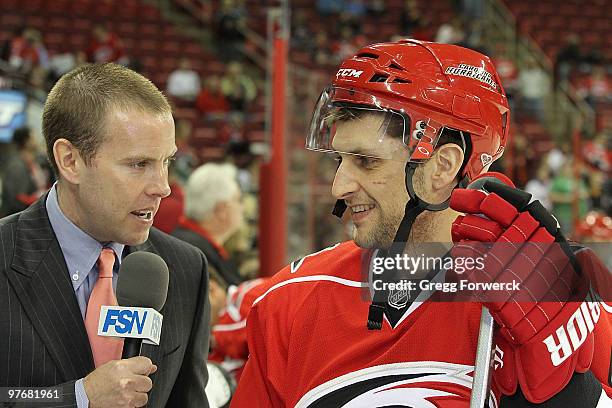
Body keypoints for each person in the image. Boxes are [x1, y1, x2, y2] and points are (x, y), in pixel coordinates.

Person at [232, 40, 611, 406]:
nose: (339, 186)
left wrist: (572, 394)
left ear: (442, 166)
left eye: (366, 161)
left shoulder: (561, 303)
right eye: (339, 161)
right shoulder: (290, 301)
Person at [0, 63, 210, 407]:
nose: (163, 187)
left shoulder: (185, 268)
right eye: (138, 164)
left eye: (166, 162)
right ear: (70, 160)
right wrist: (78, 397)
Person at [172, 162, 244, 287]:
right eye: (238, 200)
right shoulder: (195, 254)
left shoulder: (186, 242)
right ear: (221, 210)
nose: (242, 207)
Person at [0, 126, 50, 217]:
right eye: (33, 137)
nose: (36, 139)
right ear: (26, 141)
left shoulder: (37, 160)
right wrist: (41, 201)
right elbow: (17, 199)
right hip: (19, 218)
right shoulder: (16, 166)